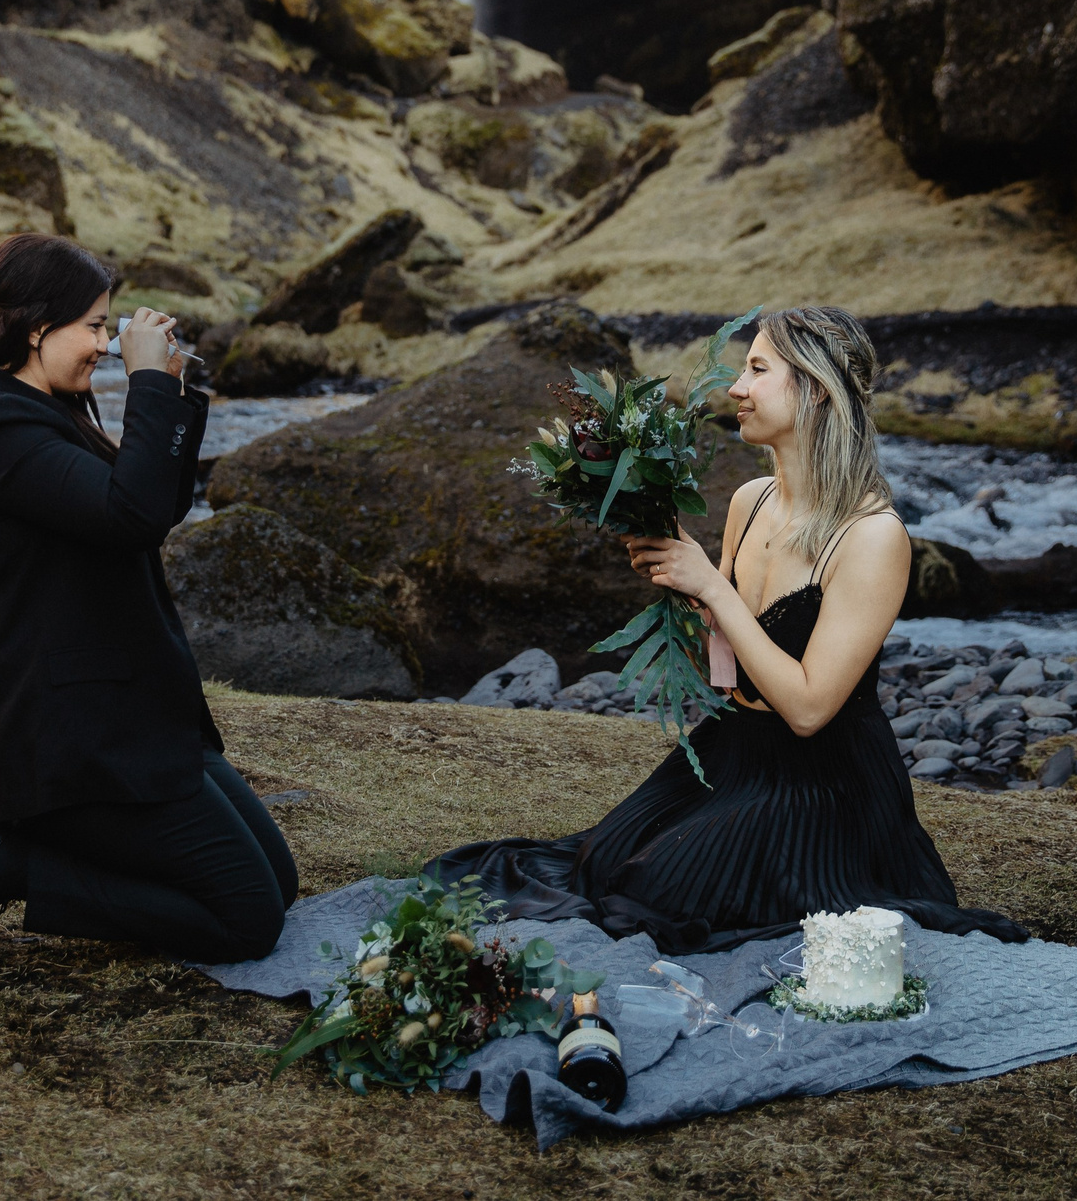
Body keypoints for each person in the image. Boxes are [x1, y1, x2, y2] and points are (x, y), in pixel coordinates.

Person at [427, 305, 1027, 953]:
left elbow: (807, 707)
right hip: (732, 748)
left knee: (660, 896)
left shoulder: (874, 537)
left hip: (822, 783)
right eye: (741, 367)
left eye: (757, 368)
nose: (735, 388)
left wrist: (711, 582)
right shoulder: (750, 499)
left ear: (816, 388)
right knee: (605, 865)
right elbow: (725, 658)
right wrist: (681, 584)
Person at [0, 234, 296, 978]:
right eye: (92, 325)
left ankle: (17, 856)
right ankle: (9, 864)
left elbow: (152, 505)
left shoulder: (49, 409)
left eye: (107, 325)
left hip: (128, 715)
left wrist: (176, 389)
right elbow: (134, 514)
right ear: (33, 326)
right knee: (249, 916)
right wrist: (144, 384)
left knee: (275, 882)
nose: (103, 343)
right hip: (72, 738)